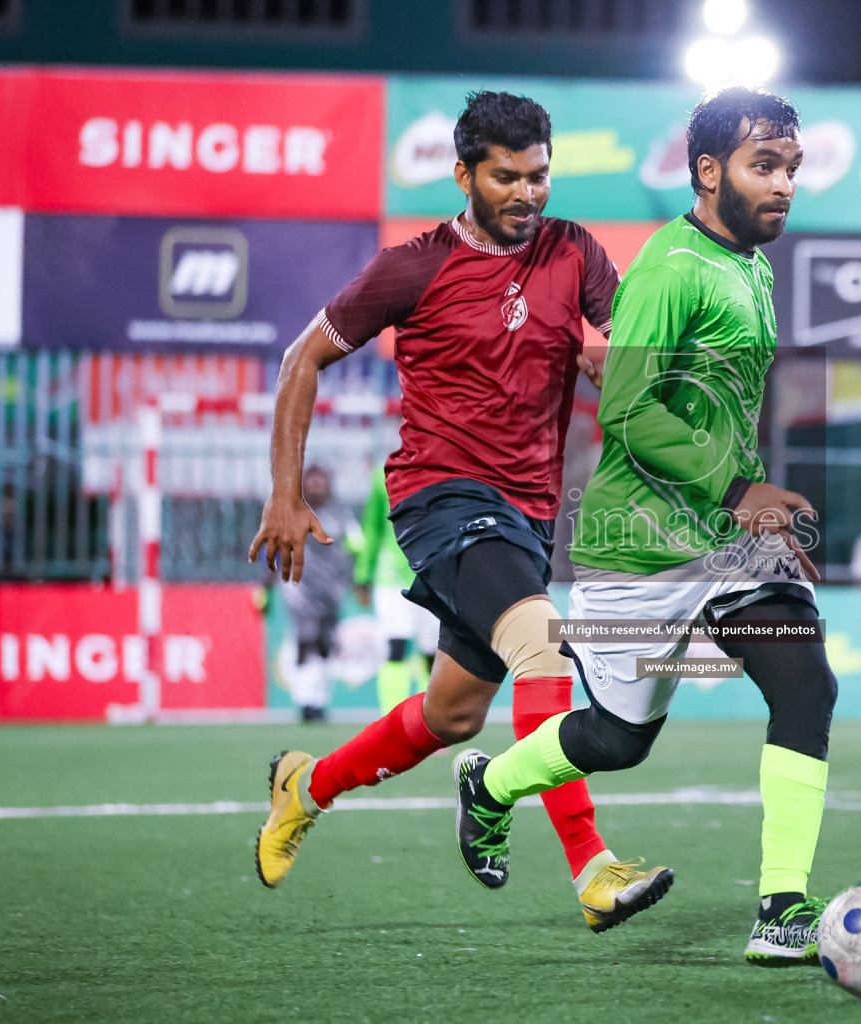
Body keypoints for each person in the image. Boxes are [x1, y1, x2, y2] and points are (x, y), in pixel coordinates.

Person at [248, 91, 673, 933]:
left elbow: (627, 340)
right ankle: (591, 865)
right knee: (543, 648)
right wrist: (284, 493)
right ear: (464, 175)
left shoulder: (573, 249)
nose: (527, 194)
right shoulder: (414, 266)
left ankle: (307, 786)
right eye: (507, 177)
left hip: (528, 514)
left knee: (452, 714)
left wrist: (619, 367)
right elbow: (303, 360)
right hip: (440, 498)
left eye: (539, 175)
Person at [450, 86, 841, 967]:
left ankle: (782, 908)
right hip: (640, 549)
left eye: (791, 168)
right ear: (708, 173)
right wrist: (740, 486)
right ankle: (491, 782)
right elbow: (625, 408)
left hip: (727, 544)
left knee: (806, 685)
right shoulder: (671, 268)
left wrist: (757, 522)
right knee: (618, 739)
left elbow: (722, 415)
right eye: (762, 165)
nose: (782, 184)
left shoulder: (750, 264)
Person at [351, 463, 440, 715]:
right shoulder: (385, 475)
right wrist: (363, 574)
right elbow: (373, 528)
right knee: (396, 646)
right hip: (391, 577)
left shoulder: (446, 469)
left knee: (431, 651)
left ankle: (432, 721)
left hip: (433, 576)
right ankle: (392, 720)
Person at [281, 465, 356, 723]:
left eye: (321, 481)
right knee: (306, 639)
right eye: (311, 481)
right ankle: (305, 701)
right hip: (299, 587)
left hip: (331, 590)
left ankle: (319, 699)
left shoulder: (341, 514)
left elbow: (356, 544)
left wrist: (354, 575)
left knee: (325, 643)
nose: (316, 486)